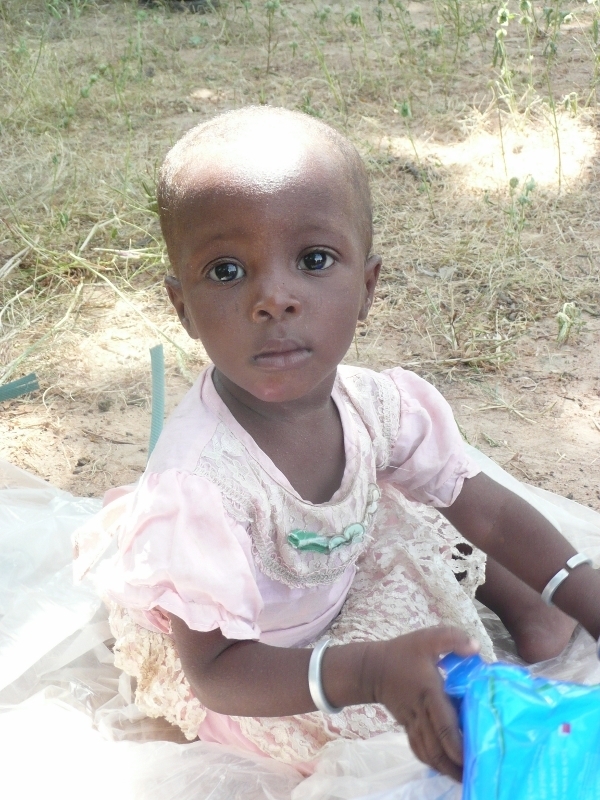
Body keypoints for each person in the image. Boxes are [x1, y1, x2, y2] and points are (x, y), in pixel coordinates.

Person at [74, 106, 600, 782]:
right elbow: (216, 672)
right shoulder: (201, 488)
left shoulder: (374, 405)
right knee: (411, 742)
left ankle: (535, 608)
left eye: (314, 260)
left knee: (434, 505)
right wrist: (369, 672)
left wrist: (585, 592)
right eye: (227, 271)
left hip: (334, 574)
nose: (274, 298)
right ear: (183, 309)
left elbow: (488, 512)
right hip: (260, 666)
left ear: (367, 288)